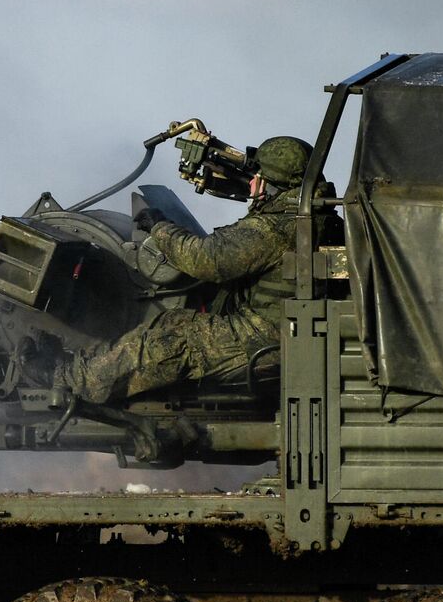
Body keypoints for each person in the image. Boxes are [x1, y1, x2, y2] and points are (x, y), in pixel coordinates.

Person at [57, 135, 322, 402]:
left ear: (270, 183)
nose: (252, 183)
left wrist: (160, 227)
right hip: (284, 330)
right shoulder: (312, 218)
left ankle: (70, 383)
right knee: (175, 321)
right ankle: (88, 366)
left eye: (257, 177)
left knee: (174, 339)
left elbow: (206, 259)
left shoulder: (276, 228)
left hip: (265, 338)